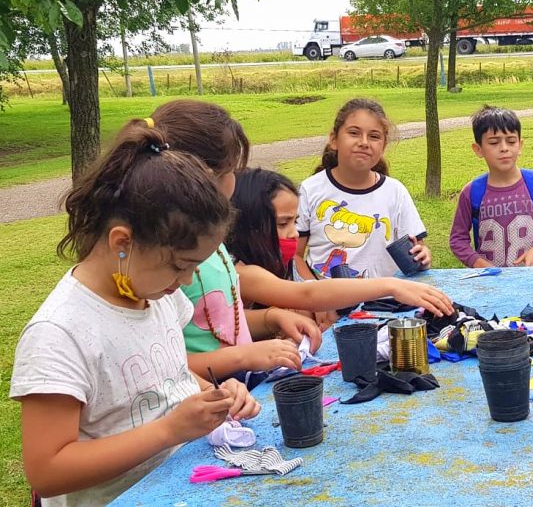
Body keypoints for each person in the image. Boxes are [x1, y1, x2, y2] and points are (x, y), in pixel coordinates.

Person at [9, 121, 259, 507]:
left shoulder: (154, 296)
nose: (187, 281)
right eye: (179, 266)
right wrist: (169, 430)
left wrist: (213, 395)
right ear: (122, 243)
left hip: (176, 493)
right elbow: (47, 469)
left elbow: (168, 377)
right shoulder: (59, 333)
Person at [145, 100, 321, 384]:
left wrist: (270, 318)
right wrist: (245, 355)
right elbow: (164, 364)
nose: (237, 181)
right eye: (232, 170)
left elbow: (219, 320)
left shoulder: (210, 247)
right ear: (204, 175)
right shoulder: (157, 265)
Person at [227, 168, 454, 318]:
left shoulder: (275, 268)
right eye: (282, 224)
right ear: (246, 225)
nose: (295, 234)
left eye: (295, 222)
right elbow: (307, 294)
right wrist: (393, 286)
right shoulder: (242, 273)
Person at [295, 98, 432, 281]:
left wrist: (423, 256)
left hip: (385, 303)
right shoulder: (310, 190)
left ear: (383, 146)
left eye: (374, 136)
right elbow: (294, 256)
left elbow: (416, 250)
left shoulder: (395, 192)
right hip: (328, 305)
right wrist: (315, 296)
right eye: (354, 133)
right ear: (334, 140)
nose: (364, 142)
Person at [449, 105, 533, 268]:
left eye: (511, 141)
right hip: (492, 285)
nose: (504, 148)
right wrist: (480, 264)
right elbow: (457, 240)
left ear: (520, 145)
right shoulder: (472, 192)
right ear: (478, 149)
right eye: (494, 142)